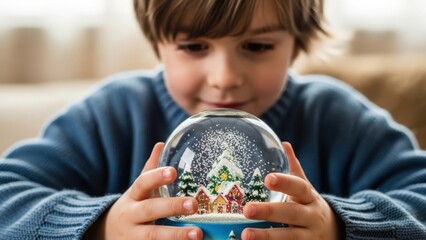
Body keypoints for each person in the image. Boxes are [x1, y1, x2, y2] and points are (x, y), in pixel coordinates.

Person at [0, 0, 425, 239]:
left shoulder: (337, 118)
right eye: (194, 46)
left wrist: (338, 225)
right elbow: (8, 195)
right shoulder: (112, 115)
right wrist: (102, 227)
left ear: (296, 46)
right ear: (158, 43)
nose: (225, 79)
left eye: (257, 47)